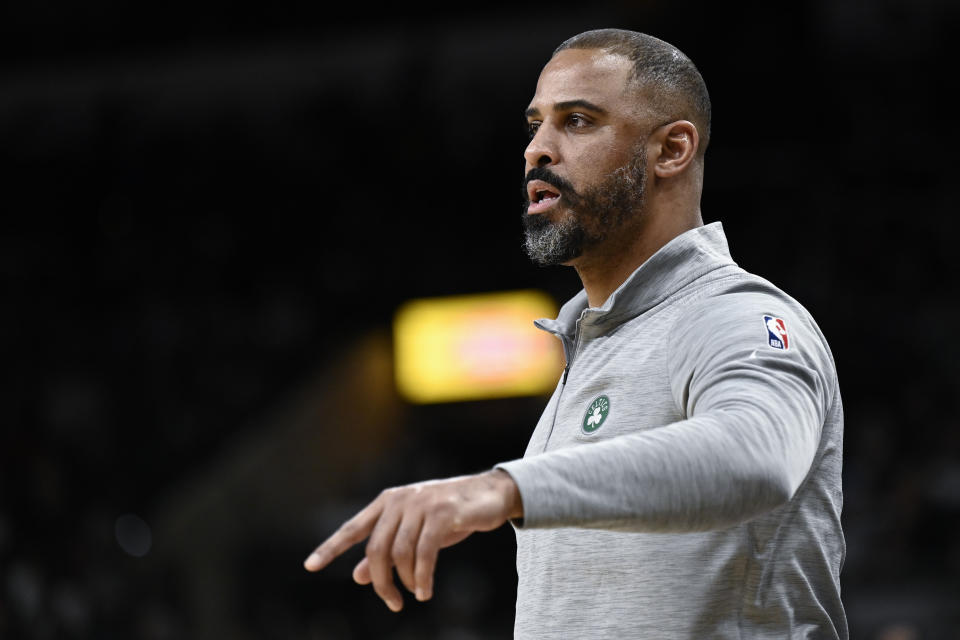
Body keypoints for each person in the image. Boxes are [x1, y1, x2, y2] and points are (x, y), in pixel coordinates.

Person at [304, 28, 847, 639]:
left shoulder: (732, 313)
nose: (537, 149)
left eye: (578, 121)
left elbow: (758, 457)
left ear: (670, 150)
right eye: (534, 125)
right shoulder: (592, 348)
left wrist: (505, 488)